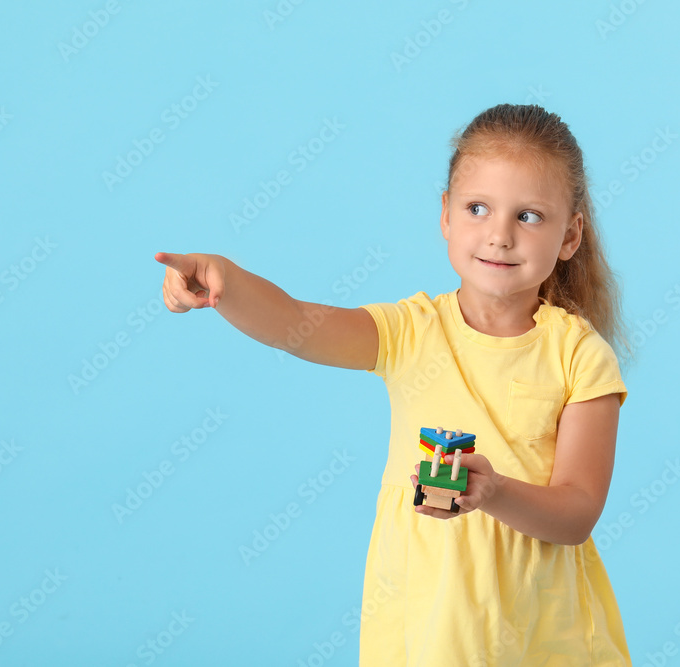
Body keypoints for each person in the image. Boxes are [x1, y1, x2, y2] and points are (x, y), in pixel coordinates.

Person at [154, 103, 632, 666]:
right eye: (478, 208)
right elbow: (295, 325)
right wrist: (224, 280)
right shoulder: (411, 332)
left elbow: (576, 514)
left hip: (540, 629)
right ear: (446, 217)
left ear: (570, 234)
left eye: (528, 216)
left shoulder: (580, 356)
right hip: (428, 621)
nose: (499, 235)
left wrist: (495, 492)